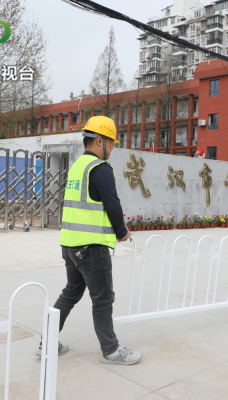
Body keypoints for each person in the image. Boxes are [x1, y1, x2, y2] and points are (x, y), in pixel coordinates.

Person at [37, 116, 141, 365]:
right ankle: (112, 350)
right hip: (92, 247)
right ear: (99, 140)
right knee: (103, 299)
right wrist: (121, 231)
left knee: (71, 292)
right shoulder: (99, 168)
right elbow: (112, 204)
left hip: (70, 243)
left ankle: (47, 343)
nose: (113, 147)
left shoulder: (77, 166)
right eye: (112, 142)